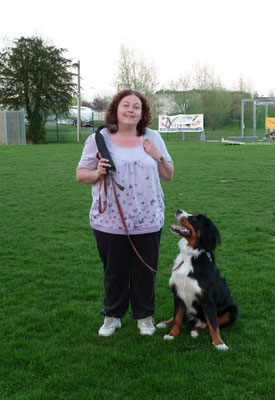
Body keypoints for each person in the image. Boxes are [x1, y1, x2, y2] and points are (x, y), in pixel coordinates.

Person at [76, 89, 174, 337]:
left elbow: (168, 174)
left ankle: (144, 316)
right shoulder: (99, 140)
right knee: (114, 271)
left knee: (145, 271)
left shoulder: (153, 137)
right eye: (126, 105)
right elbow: (80, 175)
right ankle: (112, 316)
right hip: (109, 220)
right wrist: (97, 172)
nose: (131, 110)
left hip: (148, 219)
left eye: (136, 107)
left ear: (143, 113)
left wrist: (158, 155)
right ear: (116, 110)